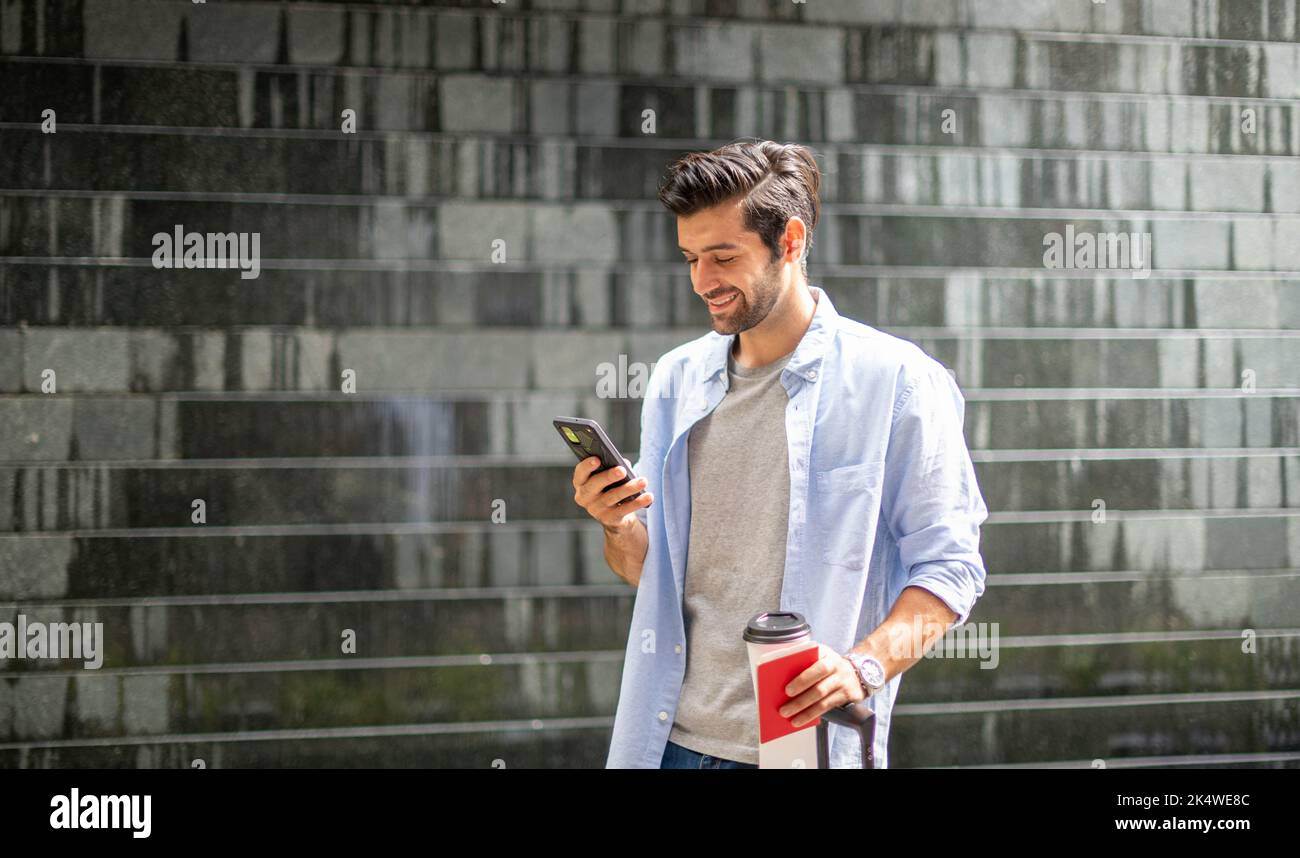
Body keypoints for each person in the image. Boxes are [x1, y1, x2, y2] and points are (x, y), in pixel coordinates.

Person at [571, 139, 988, 769]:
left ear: (790, 241)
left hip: (799, 747)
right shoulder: (675, 380)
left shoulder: (896, 382)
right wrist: (615, 523)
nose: (701, 281)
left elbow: (952, 569)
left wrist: (862, 667)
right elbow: (649, 572)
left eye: (723, 256)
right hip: (665, 743)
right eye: (690, 258)